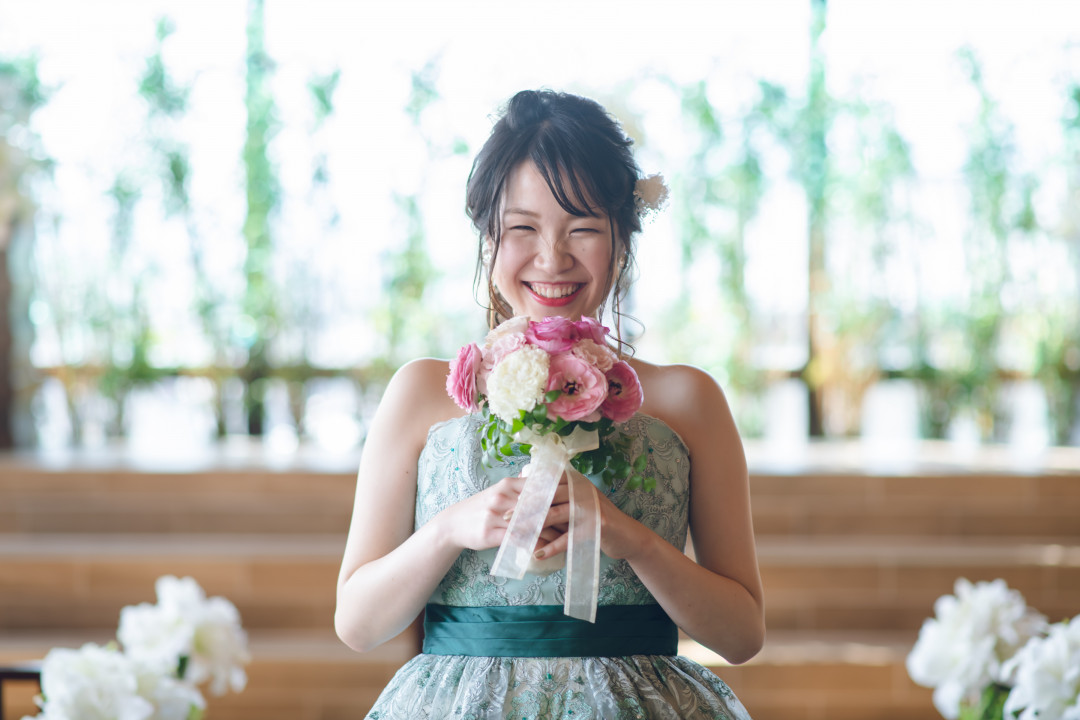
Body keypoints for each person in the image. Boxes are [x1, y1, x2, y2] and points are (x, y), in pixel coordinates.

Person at [335, 89, 764, 719]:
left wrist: (631, 540)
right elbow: (357, 623)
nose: (552, 258)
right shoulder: (420, 393)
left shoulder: (687, 400)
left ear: (623, 237)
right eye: (523, 228)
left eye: (583, 228)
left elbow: (742, 634)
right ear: (488, 238)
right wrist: (451, 528)